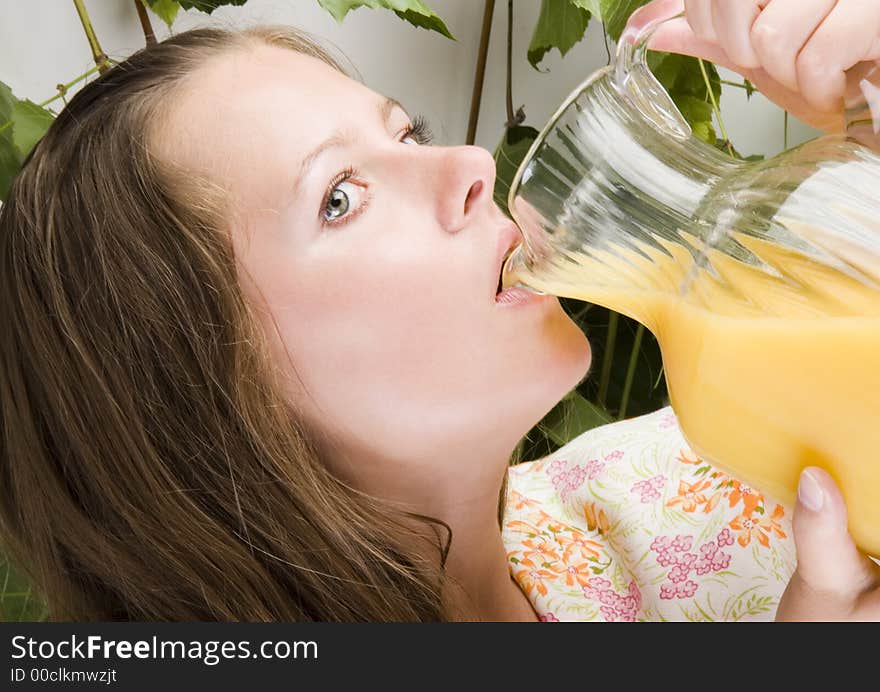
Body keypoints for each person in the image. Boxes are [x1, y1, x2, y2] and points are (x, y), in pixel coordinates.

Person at [0, 0, 876, 622]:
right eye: (340, 197)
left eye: (406, 132)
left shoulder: (692, 477)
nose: (470, 164)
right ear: (198, 402)